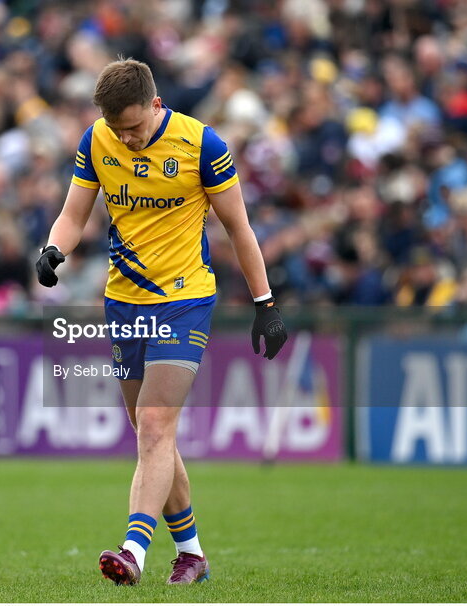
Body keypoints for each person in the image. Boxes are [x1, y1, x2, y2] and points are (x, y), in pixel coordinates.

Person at [35, 59, 288, 586]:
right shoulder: (97, 139)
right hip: (123, 302)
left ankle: (133, 551)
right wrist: (54, 250)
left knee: (153, 427)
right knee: (153, 436)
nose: (125, 139)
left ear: (156, 104)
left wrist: (265, 303)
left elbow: (239, 228)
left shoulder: (202, 145)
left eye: (134, 126)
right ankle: (191, 553)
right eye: (116, 128)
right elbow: (74, 213)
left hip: (184, 300)